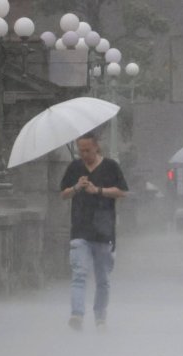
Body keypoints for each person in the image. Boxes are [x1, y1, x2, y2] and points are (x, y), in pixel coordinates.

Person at [60, 132, 129, 330]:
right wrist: (76, 187)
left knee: (103, 279)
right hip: (80, 231)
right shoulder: (74, 168)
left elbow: (122, 191)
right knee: (79, 274)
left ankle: (100, 316)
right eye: (80, 150)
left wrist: (98, 190)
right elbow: (63, 193)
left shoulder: (110, 167)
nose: (84, 154)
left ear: (96, 147)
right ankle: (77, 314)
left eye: (87, 150)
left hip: (104, 231)